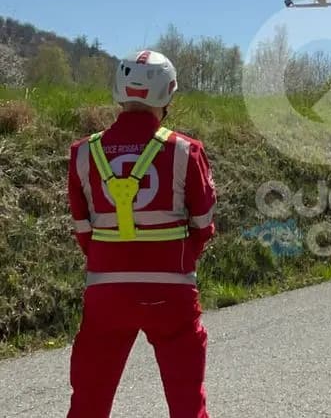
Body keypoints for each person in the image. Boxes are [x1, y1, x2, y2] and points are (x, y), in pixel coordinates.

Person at [66, 50, 216, 418]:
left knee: (89, 401)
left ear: (119, 89)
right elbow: (203, 224)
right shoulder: (186, 150)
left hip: (106, 293)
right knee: (187, 402)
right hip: (171, 293)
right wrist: (180, 260)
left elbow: (83, 230)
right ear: (168, 93)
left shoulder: (84, 153)